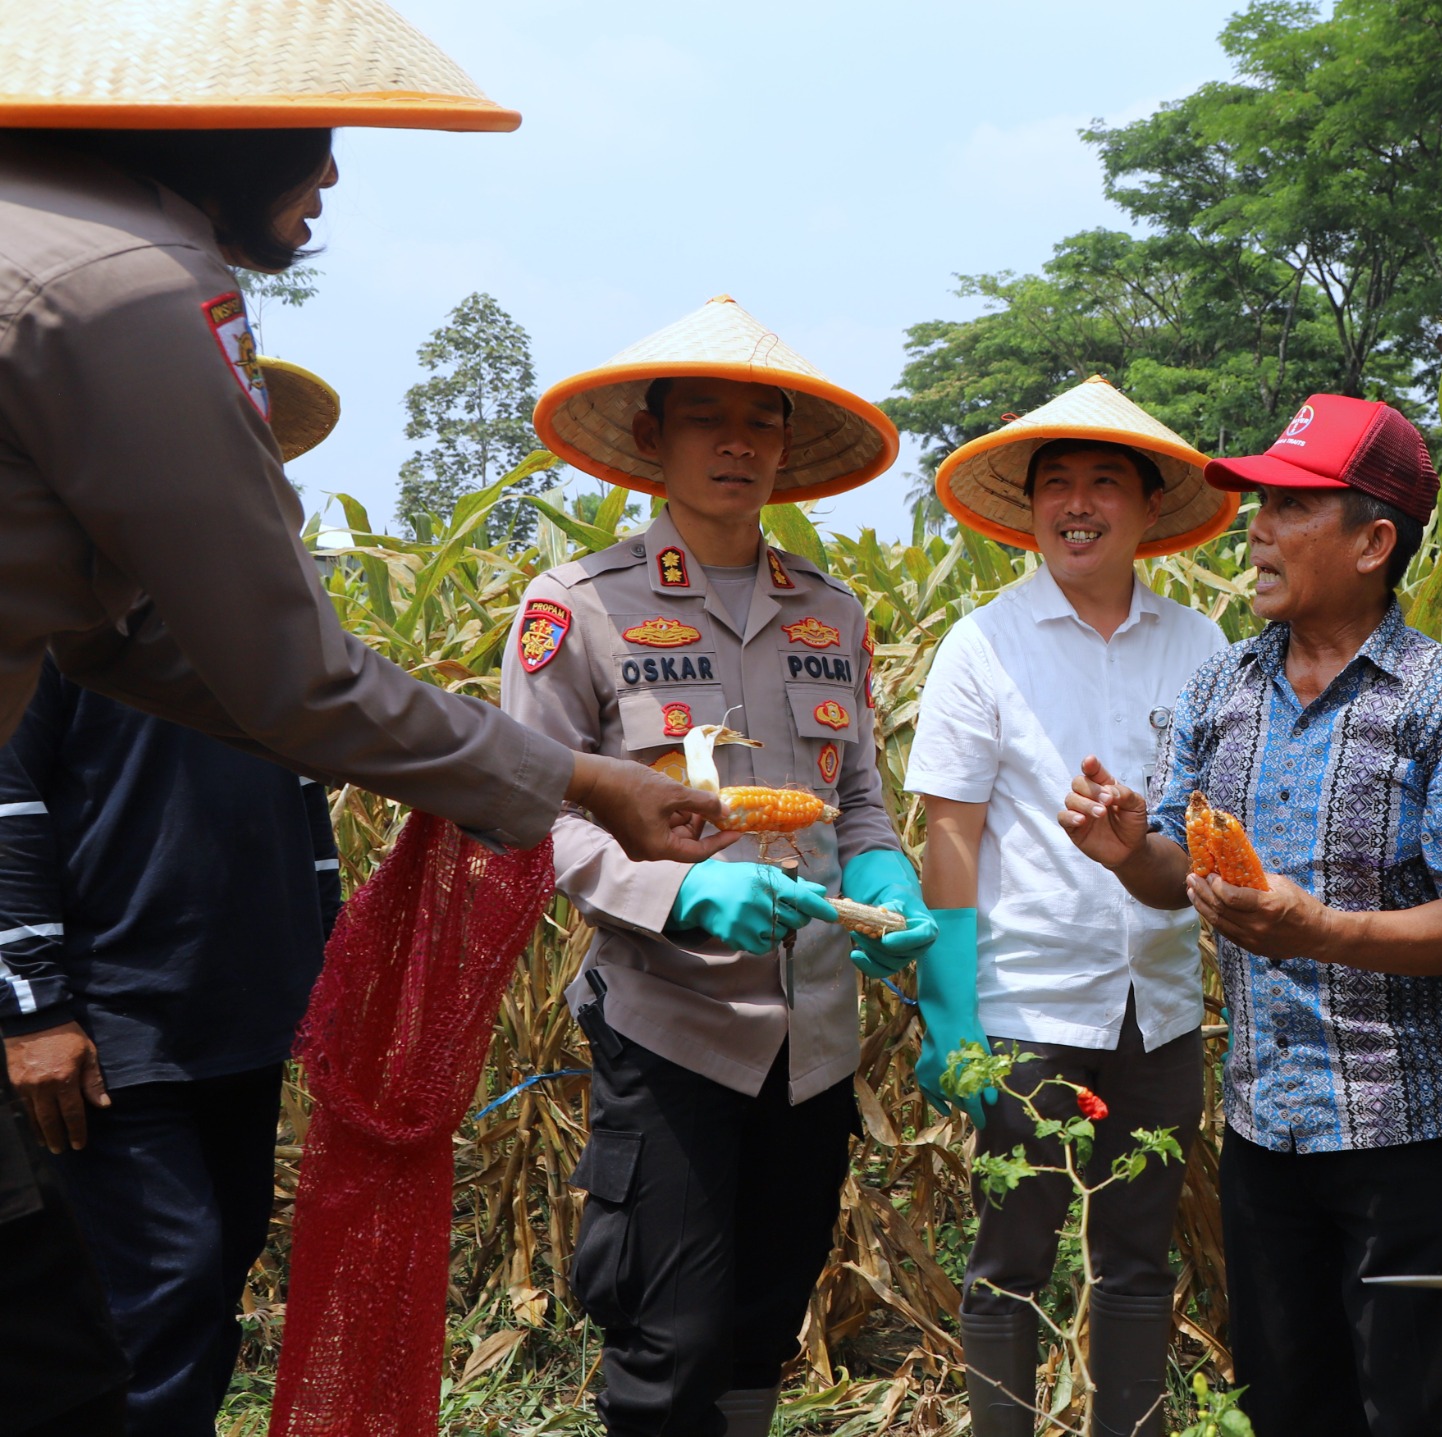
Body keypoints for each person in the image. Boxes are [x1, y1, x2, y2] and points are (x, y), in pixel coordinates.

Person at [0, 10, 721, 1431]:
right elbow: (294, 681)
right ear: (213, 129)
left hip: (218, 1006)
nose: (330, 179)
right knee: (67, 1357)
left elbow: (148, 647)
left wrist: (560, 773)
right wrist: (583, 782)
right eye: (316, 135)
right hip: (123, 1011)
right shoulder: (130, 283)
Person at [1061, 395, 1442, 1437]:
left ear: (1374, 542)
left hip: (1419, 1136)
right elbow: (1171, 875)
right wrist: (1128, 852)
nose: (1257, 528)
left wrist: (1325, 931)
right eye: (1256, 504)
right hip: (1267, 1127)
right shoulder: (1220, 690)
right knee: (1285, 1407)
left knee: (1423, 1414)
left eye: (1288, 506)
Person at [506, 296, 937, 1437]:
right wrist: (684, 889)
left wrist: (885, 878)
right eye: (707, 420)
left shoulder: (832, 613)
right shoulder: (579, 609)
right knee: (671, 1338)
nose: (739, 443)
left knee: (761, 1328)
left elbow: (856, 800)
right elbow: (537, 811)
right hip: (671, 1021)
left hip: (813, 1038)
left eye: (762, 421)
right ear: (652, 441)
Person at [0, 362, 343, 1437]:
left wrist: (329, 977)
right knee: (159, 1289)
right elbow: (5, 802)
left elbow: (307, 802)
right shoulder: (52, 603)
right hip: (110, 1025)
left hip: (241, 1013)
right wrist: (36, 1010)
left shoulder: (270, 615)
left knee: (217, 1272)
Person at [908, 377, 1236, 1437]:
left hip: (1162, 1005)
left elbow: (1215, 827)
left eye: (1104, 482)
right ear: (1031, 509)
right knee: (1011, 1255)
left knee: (1138, 1252)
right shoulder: (983, 643)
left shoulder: (1200, 649)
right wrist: (948, 1007)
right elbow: (950, 831)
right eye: (1057, 484)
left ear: (1148, 512)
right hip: (1027, 1004)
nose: (1078, 503)